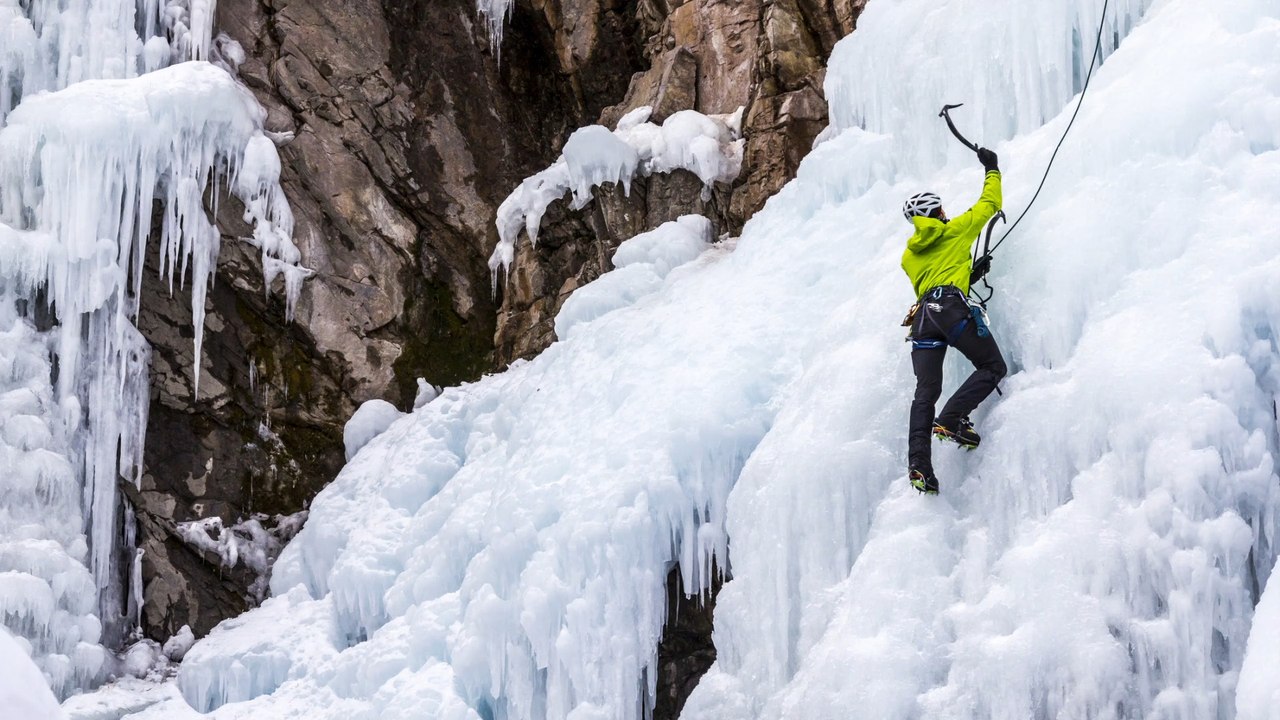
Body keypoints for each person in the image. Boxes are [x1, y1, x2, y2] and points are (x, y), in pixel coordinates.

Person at [900, 148, 1008, 494]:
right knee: (992, 367)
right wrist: (992, 168)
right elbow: (989, 204)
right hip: (949, 308)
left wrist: (968, 274)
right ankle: (950, 419)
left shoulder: (908, 256)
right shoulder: (955, 231)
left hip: (922, 320)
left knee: (925, 392)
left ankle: (919, 465)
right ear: (939, 212)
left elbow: (934, 277)